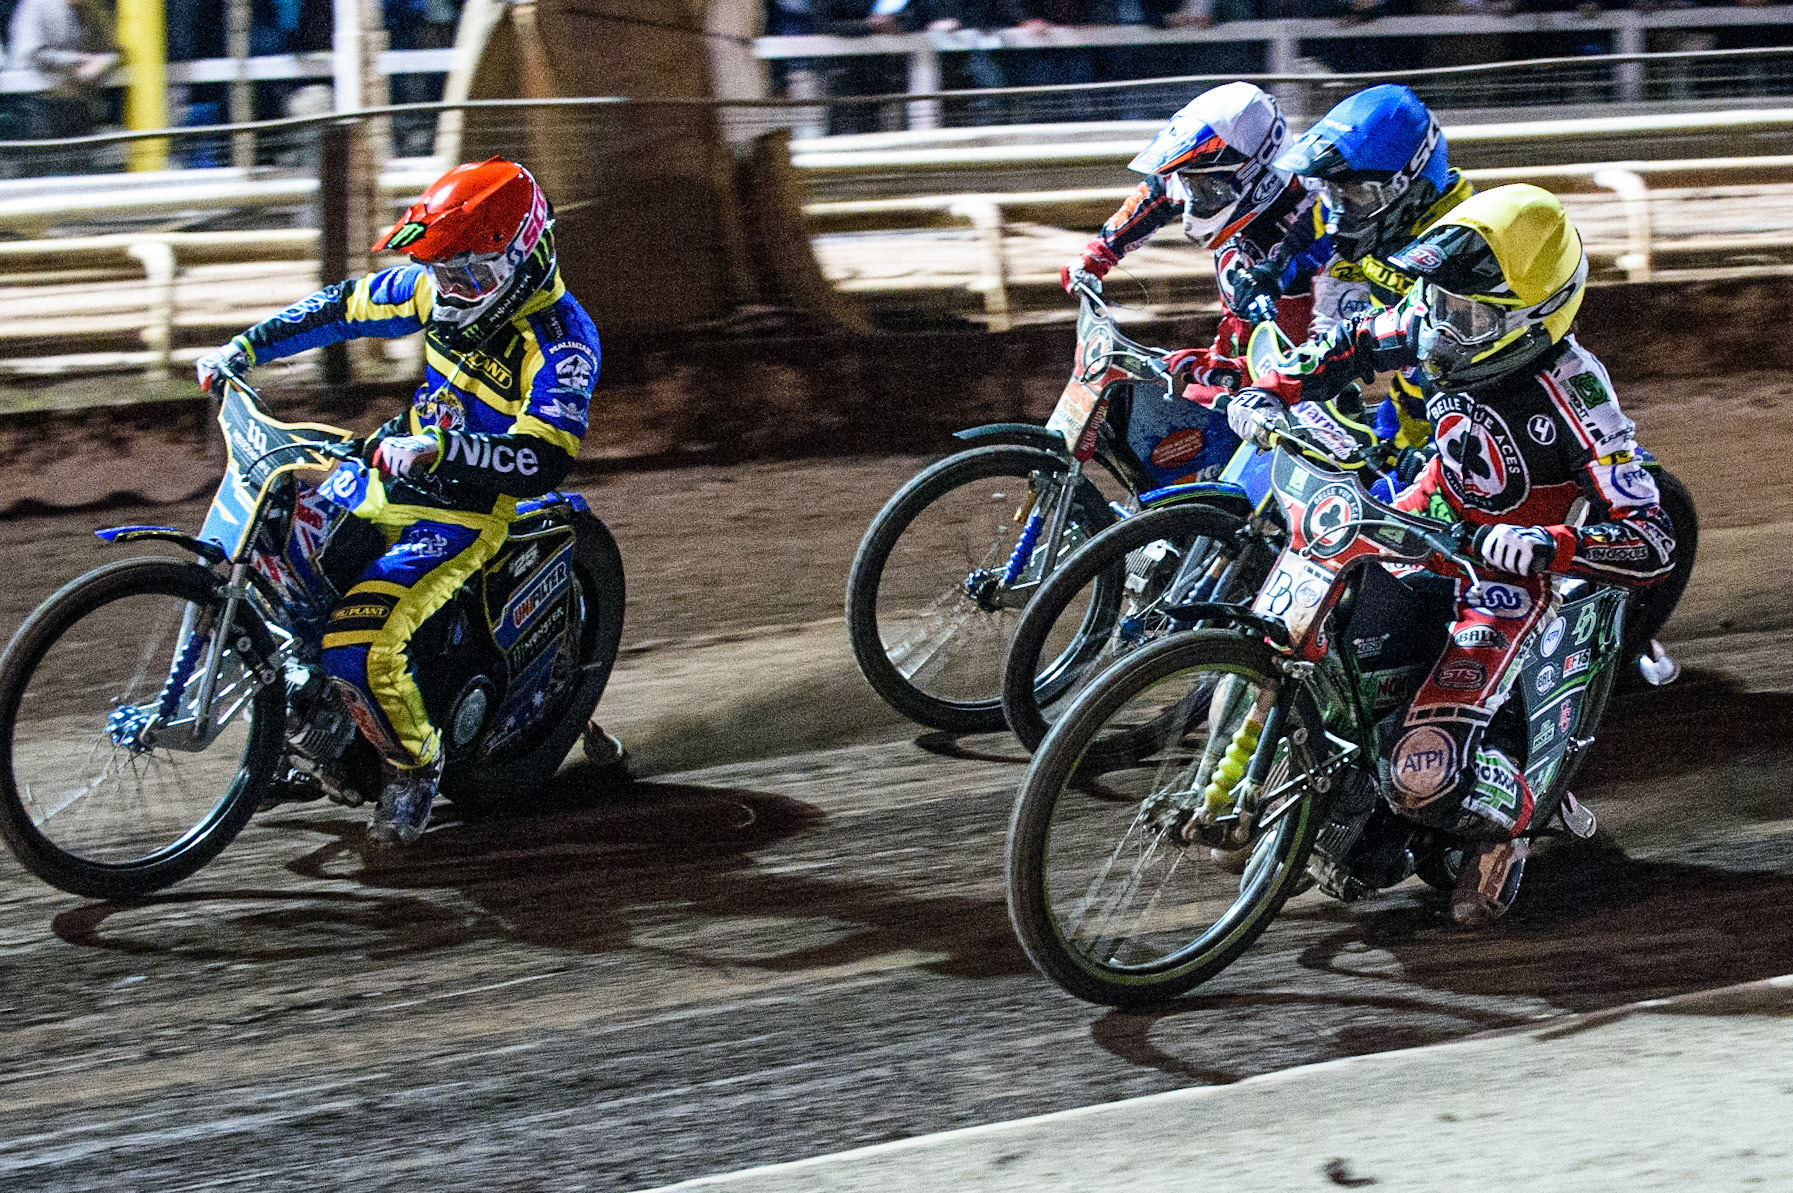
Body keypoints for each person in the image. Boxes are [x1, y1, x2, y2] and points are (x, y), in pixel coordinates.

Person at [1226, 184, 1675, 926]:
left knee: (1422, 777)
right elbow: (1353, 342)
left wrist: (1547, 542)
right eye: (1438, 303)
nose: (1440, 329)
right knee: (1324, 623)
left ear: (1533, 316)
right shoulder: (1438, 318)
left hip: (1508, 572)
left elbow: (1650, 533)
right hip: (1426, 515)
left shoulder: (1577, 393)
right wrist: (1271, 388)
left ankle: (1512, 825)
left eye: (1467, 315)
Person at [195, 158, 618, 846]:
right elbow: (342, 307)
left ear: (527, 257)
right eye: (443, 273)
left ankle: (413, 767)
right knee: (281, 555)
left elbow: (546, 457)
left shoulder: (563, 340)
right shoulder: (438, 287)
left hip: (463, 513)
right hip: (388, 473)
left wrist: (444, 452)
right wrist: (242, 348)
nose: (452, 291)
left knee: (358, 644)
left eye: (470, 275)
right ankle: (296, 722)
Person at [1237, 84, 1476, 450]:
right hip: (1400, 389)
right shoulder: (1356, 214)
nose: (1341, 210)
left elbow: (1475, 369)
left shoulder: (1462, 243)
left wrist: (1433, 454)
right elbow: (1309, 237)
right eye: (1334, 192)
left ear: (1409, 183)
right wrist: (1271, 273)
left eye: (1358, 194)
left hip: (1462, 418)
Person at [1060, 81, 1320, 393]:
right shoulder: (1222, 183)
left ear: (1256, 174)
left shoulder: (1305, 238)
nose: (1195, 199)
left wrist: (1208, 370)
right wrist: (1097, 256)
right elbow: (1160, 191)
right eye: (1192, 185)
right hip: (1231, 354)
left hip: (1280, 393)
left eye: (1205, 188)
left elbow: (1297, 368)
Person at [5, 0, 116, 171]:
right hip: (39, 106)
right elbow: (29, 54)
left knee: (82, 170)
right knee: (37, 170)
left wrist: (102, 63)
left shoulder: (90, 10)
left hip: (78, 106)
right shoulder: (36, 5)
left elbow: (112, 50)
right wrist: (81, 61)